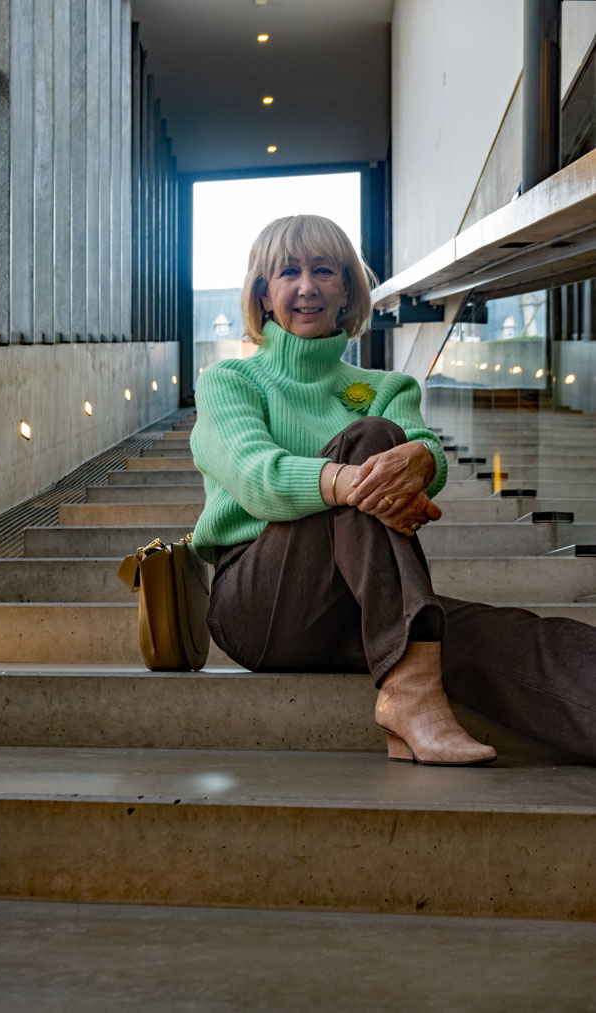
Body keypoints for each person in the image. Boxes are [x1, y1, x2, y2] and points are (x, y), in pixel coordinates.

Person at [190, 214, 596, 765]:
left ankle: (410, 675)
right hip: (261, 602)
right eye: (288, 272)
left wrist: (422, 458)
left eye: (324, 271)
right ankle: (413, 693)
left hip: (360, 599)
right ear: (264, 295)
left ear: (347, 291)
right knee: (374, 440)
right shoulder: (229, 383)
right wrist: (361, 480)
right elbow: (257, 480)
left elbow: (429, 455)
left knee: (513, 639)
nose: (307, 286)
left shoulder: (387, 387)